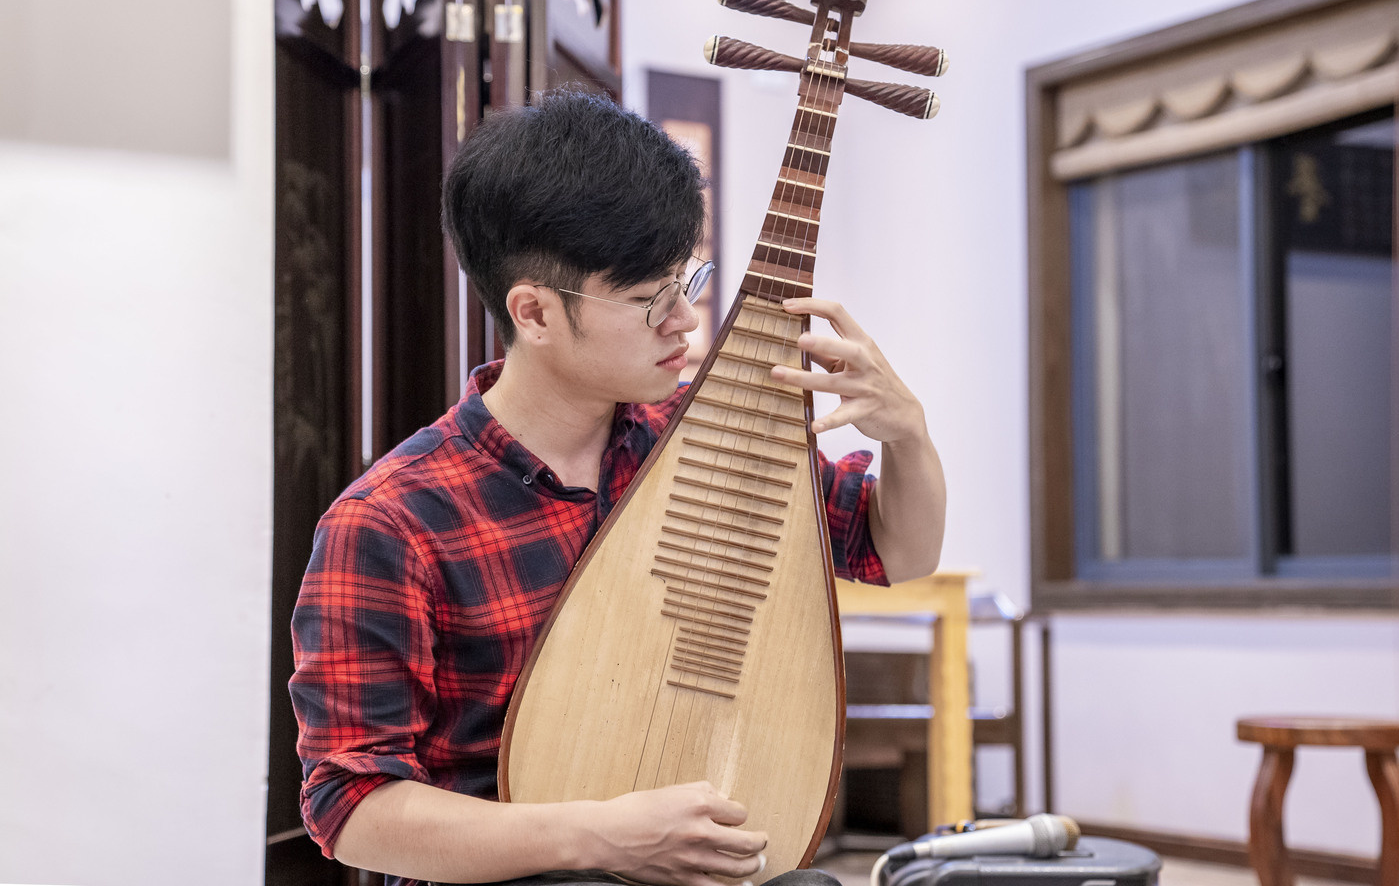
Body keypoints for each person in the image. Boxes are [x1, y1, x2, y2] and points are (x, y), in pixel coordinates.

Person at [289, 91, 946, 886]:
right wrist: (601, 838)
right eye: (648, 302)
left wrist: (905, 431)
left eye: (687, 283)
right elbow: (354, 809)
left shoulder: (702, 441)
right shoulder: (393, 521)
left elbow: (897, 552)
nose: (685, 323)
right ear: (534, 312)